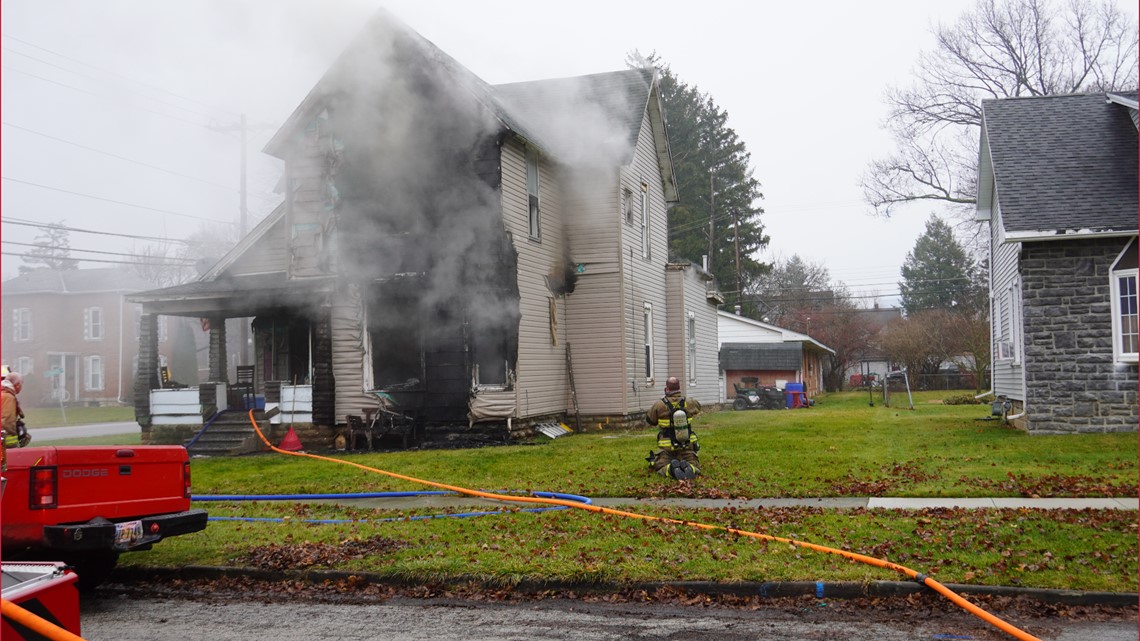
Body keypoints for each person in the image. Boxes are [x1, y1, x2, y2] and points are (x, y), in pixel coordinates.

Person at [645, 376, 702, 480]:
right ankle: (689, 467)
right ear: (679, 388)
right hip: (687, 446)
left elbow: (650, 420)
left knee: (660, 466)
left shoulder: (659, 405)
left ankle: (672, 469)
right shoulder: (689, 402)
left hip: (667, 448)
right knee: (696, 467)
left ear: (667, 388)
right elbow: (698, 407)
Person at [1, 371, 29, 472]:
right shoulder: (8, 397)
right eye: (21, 385)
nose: (21, 388)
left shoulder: (4, 393)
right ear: (17, 385)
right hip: (5, 447)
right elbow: (6, 422)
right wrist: (12, 446)